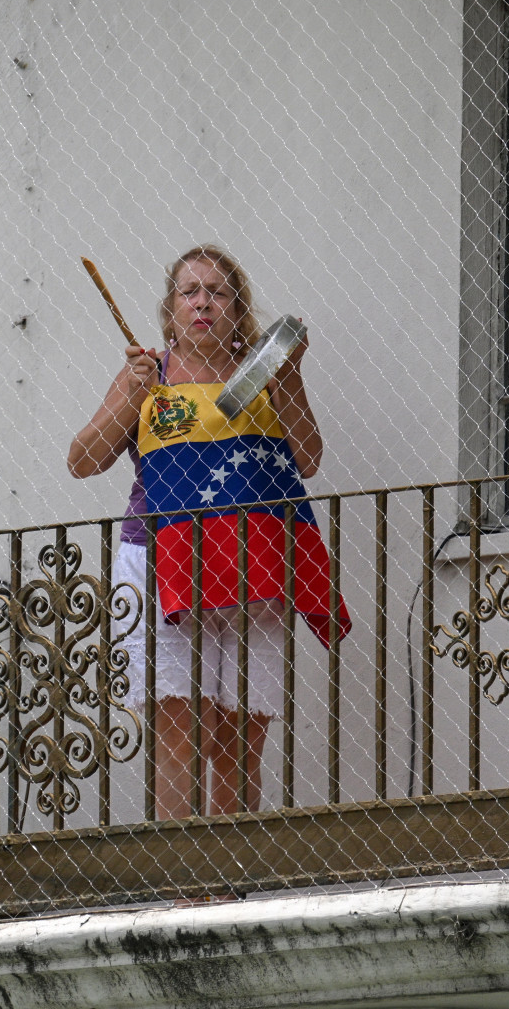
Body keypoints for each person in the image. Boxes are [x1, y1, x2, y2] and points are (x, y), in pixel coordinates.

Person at [68, 245, 346, 820]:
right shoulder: (147, 373)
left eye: (217, 292)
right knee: (181, 741)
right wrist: (131, 398)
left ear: (238, 309)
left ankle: (230, 885)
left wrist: (288, 380)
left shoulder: (263, 373)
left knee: (241, 745)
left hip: (255, 566)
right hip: (161, 563)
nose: (202, 302)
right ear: (169, 312)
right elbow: (82, 460)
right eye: (188, 292)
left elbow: (309, 458)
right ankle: (187, 887)